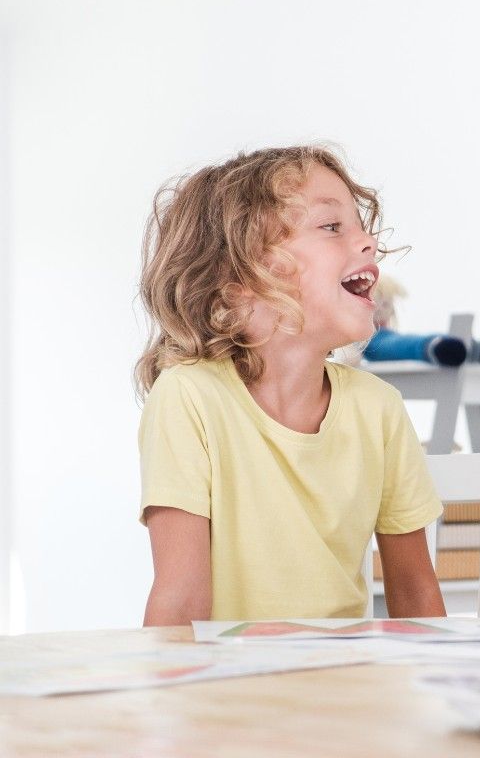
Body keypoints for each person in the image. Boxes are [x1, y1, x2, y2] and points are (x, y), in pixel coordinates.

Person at [136, 146, 446, 625]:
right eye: (331, 226)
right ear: (238, 281)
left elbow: (417, 594)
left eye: (361, 225)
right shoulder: (190, 398)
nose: (367, 241)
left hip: (346, 682)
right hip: (229, 692)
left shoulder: (378, 407)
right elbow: (180, 599)